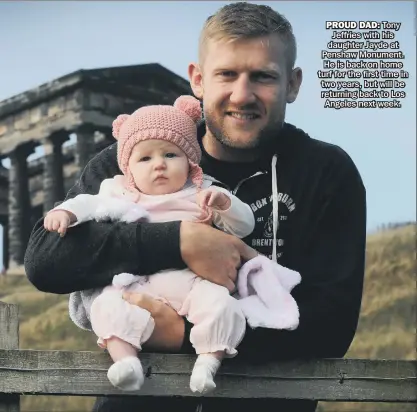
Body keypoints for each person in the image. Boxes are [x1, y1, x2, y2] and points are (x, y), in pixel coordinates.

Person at [24, 2, 367, 412]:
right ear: (198, 80)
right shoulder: (135, 160)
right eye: (227, 74)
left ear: (293, 84)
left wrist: (180, 333)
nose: (243, 94)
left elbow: (331, 327)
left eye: (263, 76)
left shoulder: (326, 172)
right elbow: (46, 260)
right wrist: (179, 240)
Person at [43, 95, 256, 394]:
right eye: (145, 158)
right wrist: (65, 213)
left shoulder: (203, 190)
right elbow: (88, 203)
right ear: (128, 168)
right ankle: (126, 361)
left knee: (221, 305)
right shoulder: (118, 191)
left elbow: (245, 225)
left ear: (190, 160)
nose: (159, 165)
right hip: (136, 283)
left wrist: (225, 204)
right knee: (106, 305)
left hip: (190, 280)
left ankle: (208, 362)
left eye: (170, 155)